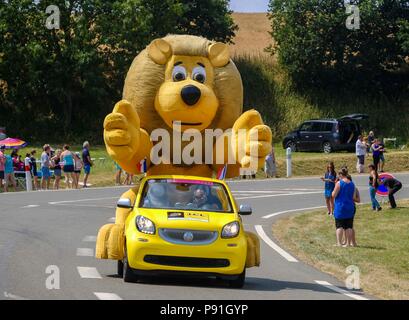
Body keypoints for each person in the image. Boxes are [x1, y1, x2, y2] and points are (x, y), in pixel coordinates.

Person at [332, 168, 361, 247]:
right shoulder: (352, 184)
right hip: (350, 206)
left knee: (339, 225)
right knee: (349, 226)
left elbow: (334, 195)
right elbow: (353, 197)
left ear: (341, 175)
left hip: (341, 206)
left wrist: (333, 191)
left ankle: (339, 243)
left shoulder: (339, 183)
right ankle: (348, 243)